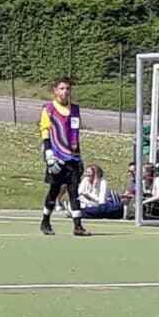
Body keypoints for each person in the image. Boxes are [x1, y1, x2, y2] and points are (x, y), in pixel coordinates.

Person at [38, 77, 90, 236]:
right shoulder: (49, 109)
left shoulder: (75, 110)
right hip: (56, 157)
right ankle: (45, 221)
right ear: (55, 90)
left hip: (73, 158)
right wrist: (48, 153)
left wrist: (79, 156)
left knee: (74, 191)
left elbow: (74, 134)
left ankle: (78, 226)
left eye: (67, 88)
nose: (65, 91)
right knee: (54, 190)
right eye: (61, 88)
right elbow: (45, 130)